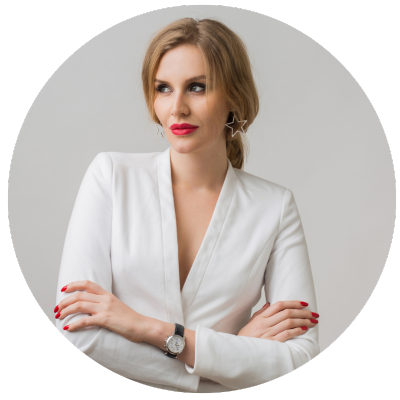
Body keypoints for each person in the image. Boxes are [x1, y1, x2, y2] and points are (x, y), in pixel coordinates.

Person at [54, 17, 319, 393]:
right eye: (163, 88)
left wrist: (149, 329)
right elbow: (78, 334)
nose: (177, 107)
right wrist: (227, 357)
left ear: (234, 98)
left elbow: (300, 357)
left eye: (197, 87)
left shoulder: (274, 207)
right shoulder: (111, 176)